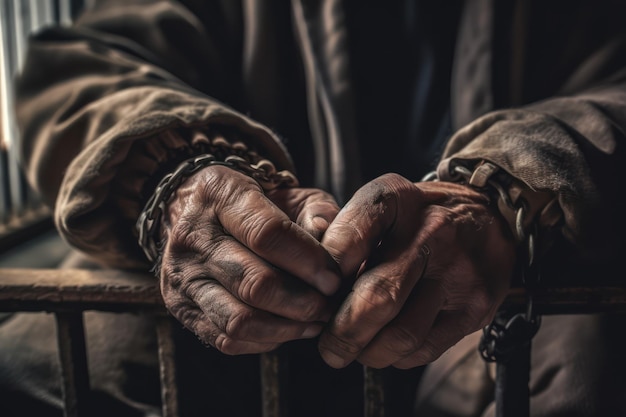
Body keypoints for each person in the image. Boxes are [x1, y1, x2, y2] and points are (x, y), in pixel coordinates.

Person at [3, 0, 626, 416]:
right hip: (241, 332)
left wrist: (504, 190)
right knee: (43, 365)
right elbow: (80, 69)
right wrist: (175, 172)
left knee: (584, 373)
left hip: (511, 293)